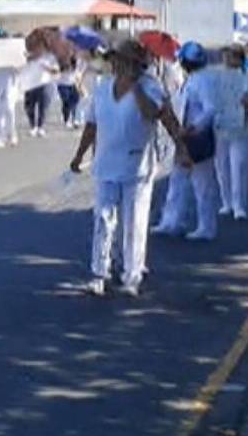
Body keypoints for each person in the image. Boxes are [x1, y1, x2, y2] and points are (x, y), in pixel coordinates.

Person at [69, 40, 186, 298]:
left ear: (137, 65)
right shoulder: (101, 90)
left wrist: (182, 148)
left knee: (134, 222)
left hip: (138, 166)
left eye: (128, 62)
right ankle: (100, 272)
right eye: (118, 61)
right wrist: (78, 156)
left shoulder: (151, 88)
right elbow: (91, 125)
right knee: (103, 218)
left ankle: (132, 274)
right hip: (106, 163)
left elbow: (158, 116)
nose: (121, 66)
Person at [152, 41, 220, 241]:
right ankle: (172, 221)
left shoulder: (202, 81)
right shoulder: (192, 80)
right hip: (187, 136)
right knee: (177, 181)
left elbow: (210, 110)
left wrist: (194, 127)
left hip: (198, 137)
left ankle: (207, 227)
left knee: (203, 185)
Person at [214, 45, 248, 220]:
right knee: (222, 167)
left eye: (229, 57)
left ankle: (239, 205)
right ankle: (226, 202)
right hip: (222, 129)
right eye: (224, 57)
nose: (226, 61)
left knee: (239, 167)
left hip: (241, 130)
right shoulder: (218, 79)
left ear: (238, 59)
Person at [23, 51, 59, 138]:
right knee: (29, 107)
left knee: (43, 107)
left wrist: (47, 68)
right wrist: (27, 60)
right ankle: (32, 126)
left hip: (44, 84)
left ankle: (40, 127)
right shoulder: (27, 55)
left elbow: (56, 70)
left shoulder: (50, 57)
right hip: (30, 84)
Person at [57, 57, 84, 129]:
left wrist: (81, 88)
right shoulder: (63, 66)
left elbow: (78, 78)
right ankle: (67, 119)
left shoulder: (76, 68)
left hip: (73, 85)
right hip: (63, 85)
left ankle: (74, 119)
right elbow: (57, 71)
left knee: (75, 101)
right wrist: (64, 68)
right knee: (67, 102)